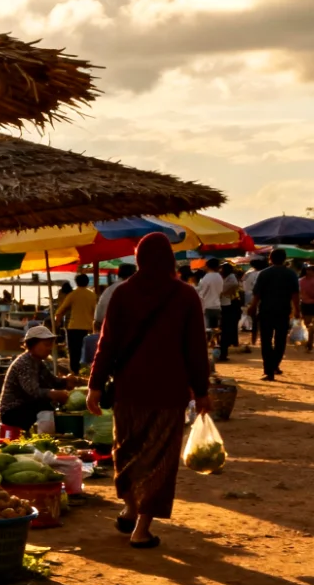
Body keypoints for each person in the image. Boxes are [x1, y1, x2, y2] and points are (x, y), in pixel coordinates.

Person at [87, 232, 211, 549]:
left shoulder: (122, 294)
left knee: (127, 450)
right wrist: (201, 390)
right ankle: (141, 527)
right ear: (170, 259)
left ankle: (130, 506)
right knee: (160, 457)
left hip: (129, 389)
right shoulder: (185, 296)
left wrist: (95, 386)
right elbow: (196, 349)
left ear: (138, 259)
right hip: (169, 392)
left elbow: (106, 345)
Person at [0, 325, 76, 433]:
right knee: (46, 404)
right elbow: (33, 391)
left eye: (50, 345)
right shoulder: (25, 362)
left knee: (50, 404)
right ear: (33, 345)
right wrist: (53, 394)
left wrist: (67, 382)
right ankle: (45, 436)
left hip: (26, 407)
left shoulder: (38, 362)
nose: (49, 348)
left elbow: (52, 381)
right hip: (12, 411)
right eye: (46, 345)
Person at [251, 248, 301, 381]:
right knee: (280, 340)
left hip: (266, 311)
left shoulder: (264, 274)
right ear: (285, 259)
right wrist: (297, 310)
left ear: (270, 259)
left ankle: (269, 370)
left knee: (266, 341)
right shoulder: (291, 274)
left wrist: (252, 306)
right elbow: (295, 294)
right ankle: (274, 365)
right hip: (283, 311)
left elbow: (257, 294)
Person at [52, 273, 98, 368]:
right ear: (87, 282)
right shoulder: (92, 296)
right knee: (86, 352)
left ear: (76, 282)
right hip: (88, 328)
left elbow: (60, 310)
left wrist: (57, 324)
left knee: (73, 353)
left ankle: (74, 372)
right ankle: (85, 370)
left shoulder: (73, 295)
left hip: (73, 327)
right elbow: (96, 313)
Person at [94, 262, 136, 329]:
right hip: (124, 328)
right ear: (134, 274)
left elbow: (99, 316)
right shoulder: (132, 288)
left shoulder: (109, 289)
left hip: (106, 327)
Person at [217, 261, 243, 362]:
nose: (220, 271)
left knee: (226, 329)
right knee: (227, 329)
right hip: (229, 305)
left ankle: (223, 353)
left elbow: (223, 290)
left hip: (231, 305)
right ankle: (224, 350)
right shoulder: (228, 277)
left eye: (221, 269)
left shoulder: (231, 278)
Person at [196, 265, 224, 349]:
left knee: (208, 329)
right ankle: (217, 346)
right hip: (217, 305)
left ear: (208, 266)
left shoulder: (206, 278)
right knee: (216, 328)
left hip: (207, 305)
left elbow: (202, 293)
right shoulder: (219, 277)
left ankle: (207, 347)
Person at [243, 257, 267, 351]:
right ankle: (262, 340)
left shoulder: (248, 274)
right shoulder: (264, 273)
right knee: (263, 322)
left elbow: (244, 287)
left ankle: (253, 340)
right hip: (263, 299)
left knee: (254, 322)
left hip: (250, 299)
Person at [301, 261, 314, 353]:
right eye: (308, 270)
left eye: (311, 270)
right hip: (306, 304)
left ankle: (310, 342)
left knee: (310, 325)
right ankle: (310, 340)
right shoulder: (301, 281)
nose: (308, 271)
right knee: (307, 324)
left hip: (310, 304)